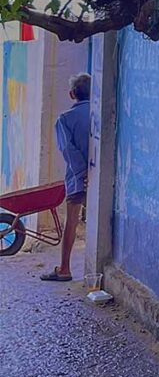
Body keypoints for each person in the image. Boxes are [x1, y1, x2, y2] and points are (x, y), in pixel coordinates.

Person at [41, 73, 90, 282]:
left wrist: (82, 172)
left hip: (78, 178)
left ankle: (65, 268)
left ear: (72, 94)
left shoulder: (65, 119)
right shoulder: (99, 113)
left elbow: (67, 149)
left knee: (71, 221)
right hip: (101, 177)